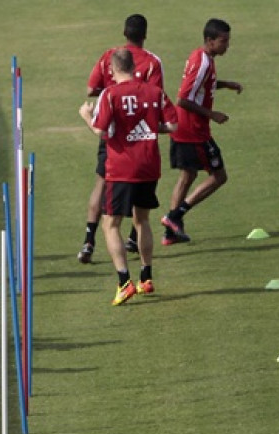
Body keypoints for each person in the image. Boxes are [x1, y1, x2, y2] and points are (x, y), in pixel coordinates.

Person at [79, 48, 177, 305]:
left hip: (121, 168)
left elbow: (101, 131)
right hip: (149, 165)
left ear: (112, 70)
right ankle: (146, 277)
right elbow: (173, 125)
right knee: (142, 220)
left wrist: (87, 116)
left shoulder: (110, 94)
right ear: (134, 67)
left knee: (110, 224)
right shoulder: (154, 92)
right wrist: (148, 130)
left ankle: (124, 282)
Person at [77, 13, 164, 264]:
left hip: (112, 131)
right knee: (141, 207)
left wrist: (109, 94)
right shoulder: (152, 63)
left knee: (102, 183)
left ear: (124, 33)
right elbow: (157, 96)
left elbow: (91, 89)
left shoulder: (110, 56)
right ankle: (133, 242)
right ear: (145, 35)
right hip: (141, 137)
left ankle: (88, 241)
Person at [160, 18, 242, 246]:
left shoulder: (202, 57)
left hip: (184, 128)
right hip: (192, 130)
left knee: (187, 176)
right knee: (218, 176)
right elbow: (184, 99)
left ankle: (170, 233)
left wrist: (226, 85)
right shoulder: (203, 62)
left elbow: (201, 85)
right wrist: (212, 114)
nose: (227, 45)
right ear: (210, 40)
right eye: (223, 41)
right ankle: (174, 216)